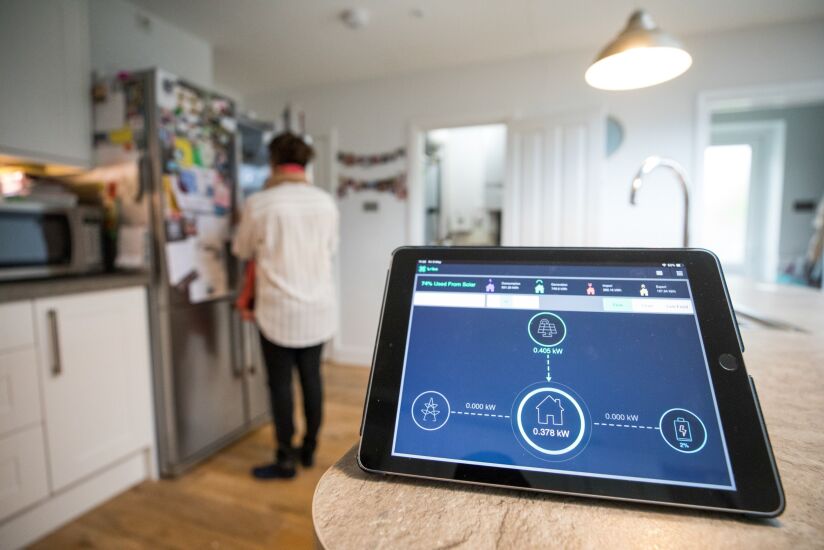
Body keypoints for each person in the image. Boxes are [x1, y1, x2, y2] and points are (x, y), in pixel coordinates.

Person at [232, 132, 339, 479]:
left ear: (273, 163)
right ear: (306, 163)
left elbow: (241, 249)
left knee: (280, 386)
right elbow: (331, 247)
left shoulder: (260, 203)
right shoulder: (325, 202)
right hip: (317, 309)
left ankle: (285, 458)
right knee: (312, 380)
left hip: (277, 310)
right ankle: (309, 449)